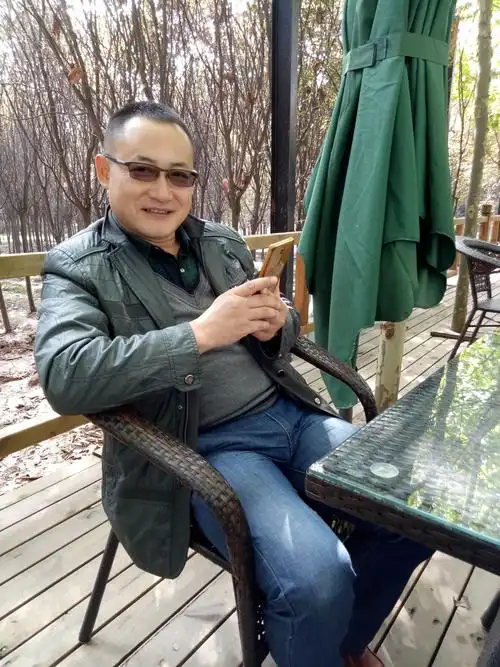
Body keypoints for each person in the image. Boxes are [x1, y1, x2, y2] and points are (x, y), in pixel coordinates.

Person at [34, 101, 430, 667]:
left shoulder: (221, 242)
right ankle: (318, 633)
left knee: (411, 509)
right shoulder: (78, 266)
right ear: (104, 170)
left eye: (180, 176)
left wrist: (276, 324)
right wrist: (198, 335)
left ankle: (340, 641)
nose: (163, 191)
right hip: (210, 448)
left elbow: (283, 324)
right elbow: (66, 375)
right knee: (316, 578)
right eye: (142, 170)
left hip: (294, 416)